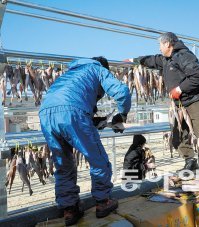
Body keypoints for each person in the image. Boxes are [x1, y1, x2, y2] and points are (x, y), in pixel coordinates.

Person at [39, 57, 131, 226]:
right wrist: (122, 114)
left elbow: (72, 99)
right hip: (72, 112)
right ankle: (103, 202)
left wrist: (91, 120)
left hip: (46, 114)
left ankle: (70, 209)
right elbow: (122, 92)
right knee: (98, 160)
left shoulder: (71, 73)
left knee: (63, 165)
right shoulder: (97, 69)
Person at [126, 32, 199, 173]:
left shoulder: (184, 56)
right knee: (177, 134)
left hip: (196, 100)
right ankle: (190, 161)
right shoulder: (166, 59)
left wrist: (180, 88)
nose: (159, 48)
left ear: (167, 44)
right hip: (179, 104)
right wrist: (133, 60)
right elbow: (151, 60)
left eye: (160, 45)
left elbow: (198, 77)